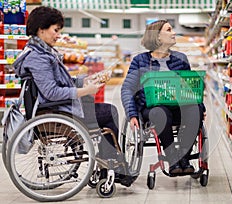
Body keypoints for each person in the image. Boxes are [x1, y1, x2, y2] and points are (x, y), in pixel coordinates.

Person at [13, 6, 120, 163]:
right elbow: (52, 92)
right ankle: (112, 163)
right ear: (41, 29)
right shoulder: (38, 57)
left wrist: (85, 80)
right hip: (57, 113)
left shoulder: (41, 52)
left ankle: (110, 161)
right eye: (55, 30)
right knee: (110, 111)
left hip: (56, 109)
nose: (58, 35)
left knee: (106, 110)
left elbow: (58, 82)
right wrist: (85, 91)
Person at [121, 20, 205, 175]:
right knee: (160, 112)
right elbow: (127, 89)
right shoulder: (140, 61)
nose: (174, 33)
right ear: (157, 36)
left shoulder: (181, 58)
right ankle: (173, 158)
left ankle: (184, 158)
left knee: (195, 109)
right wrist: (132, 113)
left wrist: (202, 107)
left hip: (179, 106)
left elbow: (189, 87)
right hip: (153, 108)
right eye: (169, 30)